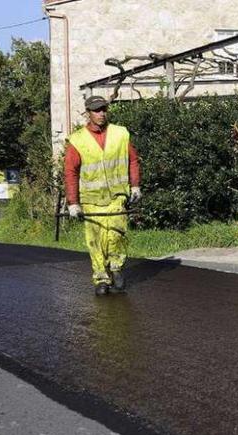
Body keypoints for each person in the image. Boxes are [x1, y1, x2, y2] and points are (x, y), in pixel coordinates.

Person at [64, 95, 142, 296]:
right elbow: (70, 172)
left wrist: (135, 186)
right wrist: (73, 202)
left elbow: (133, 160)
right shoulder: (77, 140)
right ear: (88, 113)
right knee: (96, 241)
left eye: (103, 109)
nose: (101, 114)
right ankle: (101, 278)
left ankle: (116, 269)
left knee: (116, 235)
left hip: (117, 196)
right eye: (96, 110)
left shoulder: (120, 134)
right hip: (91, 200)